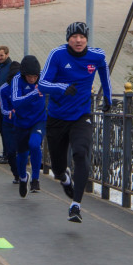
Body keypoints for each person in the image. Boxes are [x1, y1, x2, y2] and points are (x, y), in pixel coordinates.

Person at [38, 22, 112, 223]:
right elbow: (42, 84)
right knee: (58, 167)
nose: (78, 40)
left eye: (82, 37)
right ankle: (64, 177)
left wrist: (108, 97)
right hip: (57, 117)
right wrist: (61, 87)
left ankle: (76, 205)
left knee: (81, 152)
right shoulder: (57, 55)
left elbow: (104, 72)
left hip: (81, 115)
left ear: (87, 39)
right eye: (74, 37)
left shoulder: (96, 56)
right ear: (68, 39)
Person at [11, 56, 47, 197]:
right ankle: (23, 178)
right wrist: (33, 94)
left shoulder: (43, 77)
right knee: (22, 154)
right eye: (29, 77)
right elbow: (15, 101)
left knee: (34, 144)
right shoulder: (17, 80)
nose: (32, 79)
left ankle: (36, 179)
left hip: (38, 120)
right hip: (21, 121)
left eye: (35, 76)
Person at [0, 61, 21, 184]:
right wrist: (11, 112)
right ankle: (16, 174)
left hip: (23, 122)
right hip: (9, 122)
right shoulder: (4, 89)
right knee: (11, 151)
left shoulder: (25, 86)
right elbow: (3, 109)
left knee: (22, 149)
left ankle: (23, 173)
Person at [0, 46, 12, 163]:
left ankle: (9, 154)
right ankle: (5, 153)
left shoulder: (10, 68)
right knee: (1, 130)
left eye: (1, 55)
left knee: (6, 130)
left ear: (7, 54)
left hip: (6, 105)